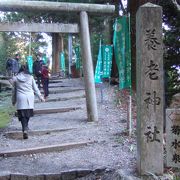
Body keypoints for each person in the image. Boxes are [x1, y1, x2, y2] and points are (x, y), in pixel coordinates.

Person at [10, 64, 45, 139]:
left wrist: (13, 100)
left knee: (22, 115)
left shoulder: (16, 78)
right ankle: (26, 128)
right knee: (28, 113)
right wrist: (41, 97)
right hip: (29, 97)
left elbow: (14, 90)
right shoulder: (30, 77)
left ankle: (24, 129)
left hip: (20, 97)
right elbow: (35, 88)